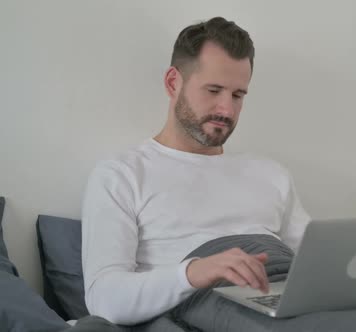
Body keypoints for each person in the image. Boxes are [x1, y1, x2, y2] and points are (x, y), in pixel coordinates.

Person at [81, 17, 311, 326]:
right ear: (173, 83)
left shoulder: (271, 174)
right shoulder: (122, 174)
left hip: (285, 294)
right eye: (213, 90)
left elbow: (318, 264)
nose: (226, 110)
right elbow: (103, 298)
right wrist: (191, 273)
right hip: (210, 301)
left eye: (238, 95)